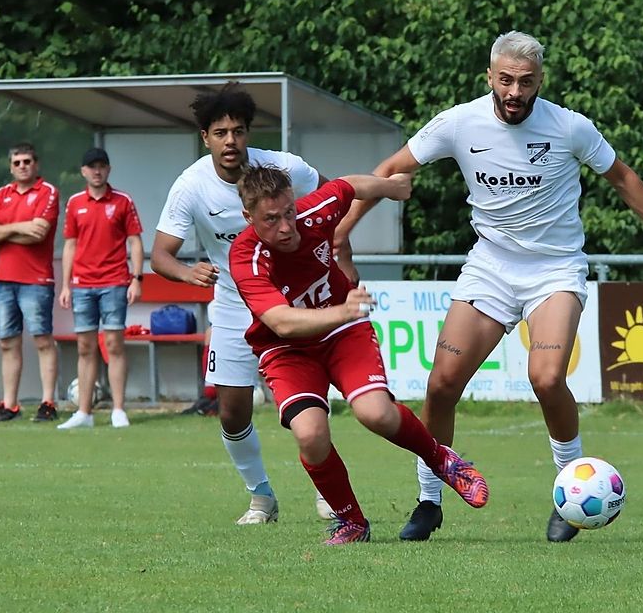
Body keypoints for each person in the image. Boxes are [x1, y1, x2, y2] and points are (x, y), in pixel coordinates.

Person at [337, 31, 643, 542]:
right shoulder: (457, 123)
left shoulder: (568, 126)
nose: (515, 92)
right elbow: (388, 170)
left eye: (526, 82)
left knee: (545, 376)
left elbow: (622, 176)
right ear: (490, 77)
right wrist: (341, 233)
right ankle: (429, 500)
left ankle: (570, 490)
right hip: (490, 268)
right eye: (506, 80)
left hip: (555, 269)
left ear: (541, 81)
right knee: (441, 385)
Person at [230, 165, 489, 545]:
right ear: (248, 217)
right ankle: (352, 522)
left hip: (343, 334)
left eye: (288, 212)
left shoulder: (311, 212)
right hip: (287, 349)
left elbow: (347, 186)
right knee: (310, 433)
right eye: (271, 219)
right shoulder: (246, 257)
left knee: (376, 413)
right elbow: (282, 322)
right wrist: (343, 309)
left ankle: (444, 461)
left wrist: (390, 186)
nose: (286, 226)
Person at [152, 82, 336, 523]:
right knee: (232, 411)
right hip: (235, 305)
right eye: (220, 132)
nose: (230, 140)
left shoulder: (282, 169)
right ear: (206, 137)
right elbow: (160, 254)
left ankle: (328, 491)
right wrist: (186, 271)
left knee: (304, 405)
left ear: (248, 133)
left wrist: (332, 250)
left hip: (292, 304)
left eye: (237, 130)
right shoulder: (191, 186)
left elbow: (333, 197)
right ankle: (262, 497)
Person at [57, 148, 144, 429]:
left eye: (101, 166)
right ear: (83, 171)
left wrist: (137, 278)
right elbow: (70, 244)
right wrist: (66, 285)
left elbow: (135, 241)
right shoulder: (74, 203)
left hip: (115, 283)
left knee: (114, 344)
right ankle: (84, 413)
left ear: (108, 169)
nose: (96, 171)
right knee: (85, 347)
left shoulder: (123, 201)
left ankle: (119, 409)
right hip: (82, 285)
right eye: (91, 167)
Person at [0, 143, 60, 423]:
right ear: (11, 167)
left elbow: (38, 234)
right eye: (17, 162)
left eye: (27, 161)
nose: (22, 166)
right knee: (7, 342)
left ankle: (48, 402)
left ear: (36, 165)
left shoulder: (47, 191)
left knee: (41, 339)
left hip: (36, 279)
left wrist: (2, 232)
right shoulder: (2, 194)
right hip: (5, 280)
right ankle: (9, 405)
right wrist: (18, 227)